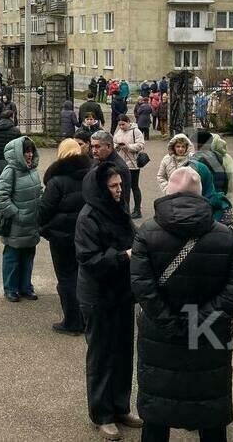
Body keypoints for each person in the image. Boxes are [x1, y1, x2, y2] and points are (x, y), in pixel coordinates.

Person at [130, 166, 233, 442]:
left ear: (169, 192)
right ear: (200, 195)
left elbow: (142, 287)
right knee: (210, 407)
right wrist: (202, 319)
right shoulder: (224, 234)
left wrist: (170, 323)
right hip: (210, 334)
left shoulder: (147, 232)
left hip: (160, 333)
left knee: (157, 408)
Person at [75, 163, 141, 441]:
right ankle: (102, 414)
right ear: (101, 188)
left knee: (123, 352)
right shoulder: (88, 218)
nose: (119, 190)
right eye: (113, 186)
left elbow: (134, 238)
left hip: (122, 293)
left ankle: (120, 406)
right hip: (98, 295)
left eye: (120, 185)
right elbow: (89, 260)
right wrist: (124, 256)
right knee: (102, 355)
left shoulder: (119, 210)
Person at [38, 139, 92, 335]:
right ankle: (86, 318)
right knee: (83, 276)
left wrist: (45, 228)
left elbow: (44, 211)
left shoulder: (56, 181)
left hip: (62, 237)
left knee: (66, 279)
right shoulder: (91, 176)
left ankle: (72, 321)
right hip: (86, 234)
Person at [0, 136, 42, 302]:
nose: (29, 155)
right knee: (12, 257)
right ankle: (10, 288)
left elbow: (38, 191)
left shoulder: (32, 169)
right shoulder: (10, 171)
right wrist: (17, 214)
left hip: (32, 223)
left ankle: (26, 286)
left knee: (28, 256)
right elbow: (1, 198)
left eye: (30, 151)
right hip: (16, 224)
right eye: (25, 151)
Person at [113, 115, 146, 219]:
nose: (121, 127)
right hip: (121, 164)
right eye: (120, 125)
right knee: (123, 187)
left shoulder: (136, 131)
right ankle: (124, 208)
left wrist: (128, 146)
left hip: (133, 164)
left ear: (128, 122)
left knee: (134, 186)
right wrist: (117, 146)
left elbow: (141, 145)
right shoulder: (119, 132)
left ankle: (137, 210)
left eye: (123, 124)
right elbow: (114, 143)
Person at [91, 130, 131, 212]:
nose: (94, 150)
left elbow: (122, 199)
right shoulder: (97, 161)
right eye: (92, 147)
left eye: (97, 147)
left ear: (109, 146)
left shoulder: (119, 168)